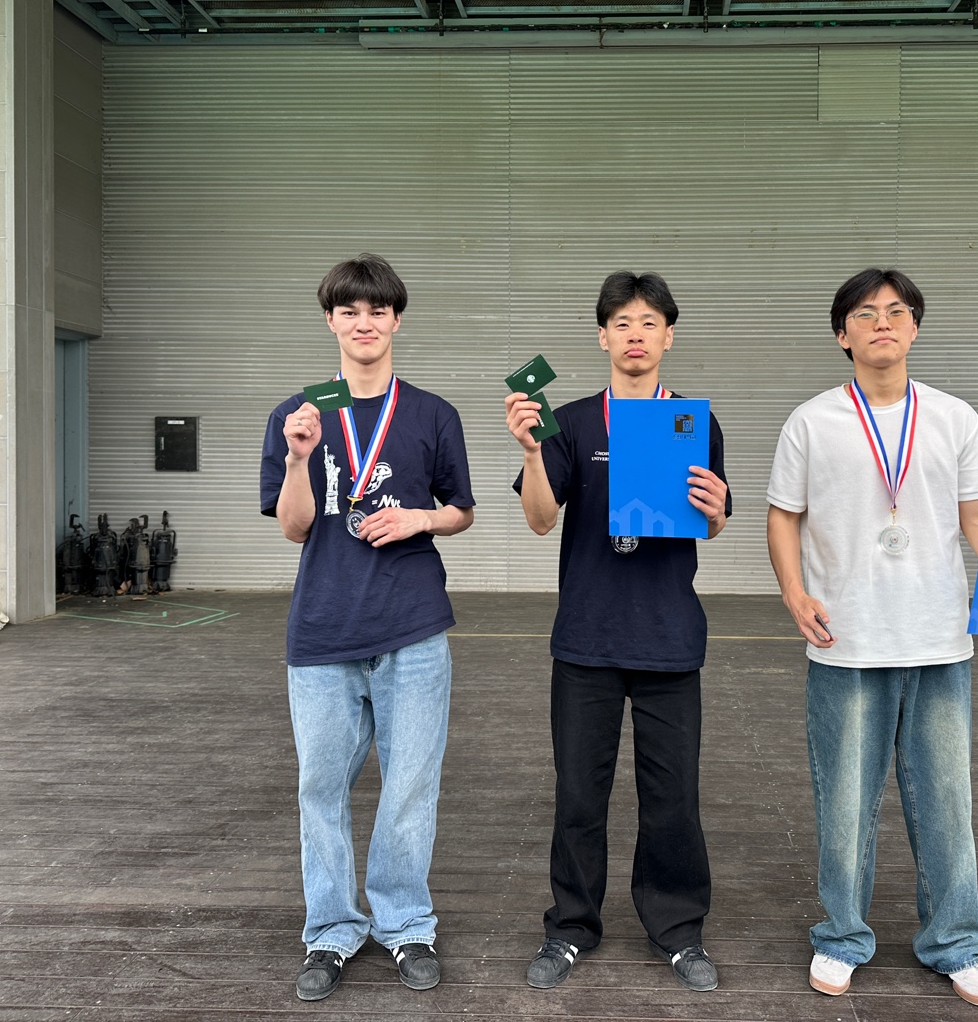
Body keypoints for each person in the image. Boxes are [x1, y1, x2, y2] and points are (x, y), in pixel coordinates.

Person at [765, 268, 978, 1009]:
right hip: (846, 640)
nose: (882, 322)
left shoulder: (954, 418)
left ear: (914, 329)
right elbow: (783, 515)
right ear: (841, 334)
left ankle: (956, 944)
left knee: (945, 800)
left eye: (897, 311)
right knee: (844, 802)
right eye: (865, 313)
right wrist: (794, 593)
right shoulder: (811, 422)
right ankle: (842, 937)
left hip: (938, 639)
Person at [504, 271, 731, 993]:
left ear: (669, 336)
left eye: (649, 322)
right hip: (587, 639)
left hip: (669, 640)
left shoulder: (693, 421)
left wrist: (717, 510)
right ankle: (571, 927)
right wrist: (531, 451)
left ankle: (678, 930)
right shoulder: (571, 422)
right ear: (602, 337)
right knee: (579, 796)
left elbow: (712, 523)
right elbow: (540, 520)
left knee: (674, 800)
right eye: (622, 323)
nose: (636, 335)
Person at [260, 253, 475, 1002]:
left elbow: (462, 510)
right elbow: (293, 528)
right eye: (348, 311)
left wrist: (420, 518)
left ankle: (406, 923)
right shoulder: (298, 415)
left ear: (396, 320)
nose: (364, 323)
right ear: (330, 321)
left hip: (413, 627)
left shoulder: (432, 414)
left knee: (410, 785)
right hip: (323, 631)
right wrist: (298, 460)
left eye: (377, 311)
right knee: (321, 787)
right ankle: (330, 929)